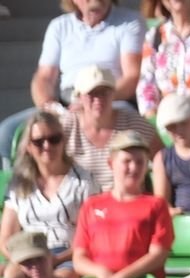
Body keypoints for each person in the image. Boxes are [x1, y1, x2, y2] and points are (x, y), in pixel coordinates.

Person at [71, 131, 169, 278]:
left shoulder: (156, 205)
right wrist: (102, 273)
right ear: (111, 163)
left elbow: (158, 255)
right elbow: (79, 258)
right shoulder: (91, 205)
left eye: (140, 162)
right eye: (127, 161)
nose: (134, 168)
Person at [59, 65, 161, 197]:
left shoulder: (132, 122)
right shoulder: (66, 125)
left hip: (124, 203)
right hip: (80, 205)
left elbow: (162, 159)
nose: (98, 99)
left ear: (113, 93)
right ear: (79, 97)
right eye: (92, 94)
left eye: (104, 92)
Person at [2, 111, 93, 260]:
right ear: (29, 147)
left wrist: (56, 260)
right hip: (28, 255)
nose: (47, 146)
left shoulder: (83, 181)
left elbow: (91, 235)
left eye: (54, 139)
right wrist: (20, 260)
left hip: (68, 256)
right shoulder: (18, 184)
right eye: (38, 141)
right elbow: (6, 237)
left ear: (63, 141)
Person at [34, 0, 143, 109]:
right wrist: (49, 107)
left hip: (112, 100)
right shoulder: (59, 26)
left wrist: (92, 100)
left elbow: (132, 77)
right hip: (69, 100)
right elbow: (44, 77)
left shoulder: (129, 22)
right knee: (19, 123)